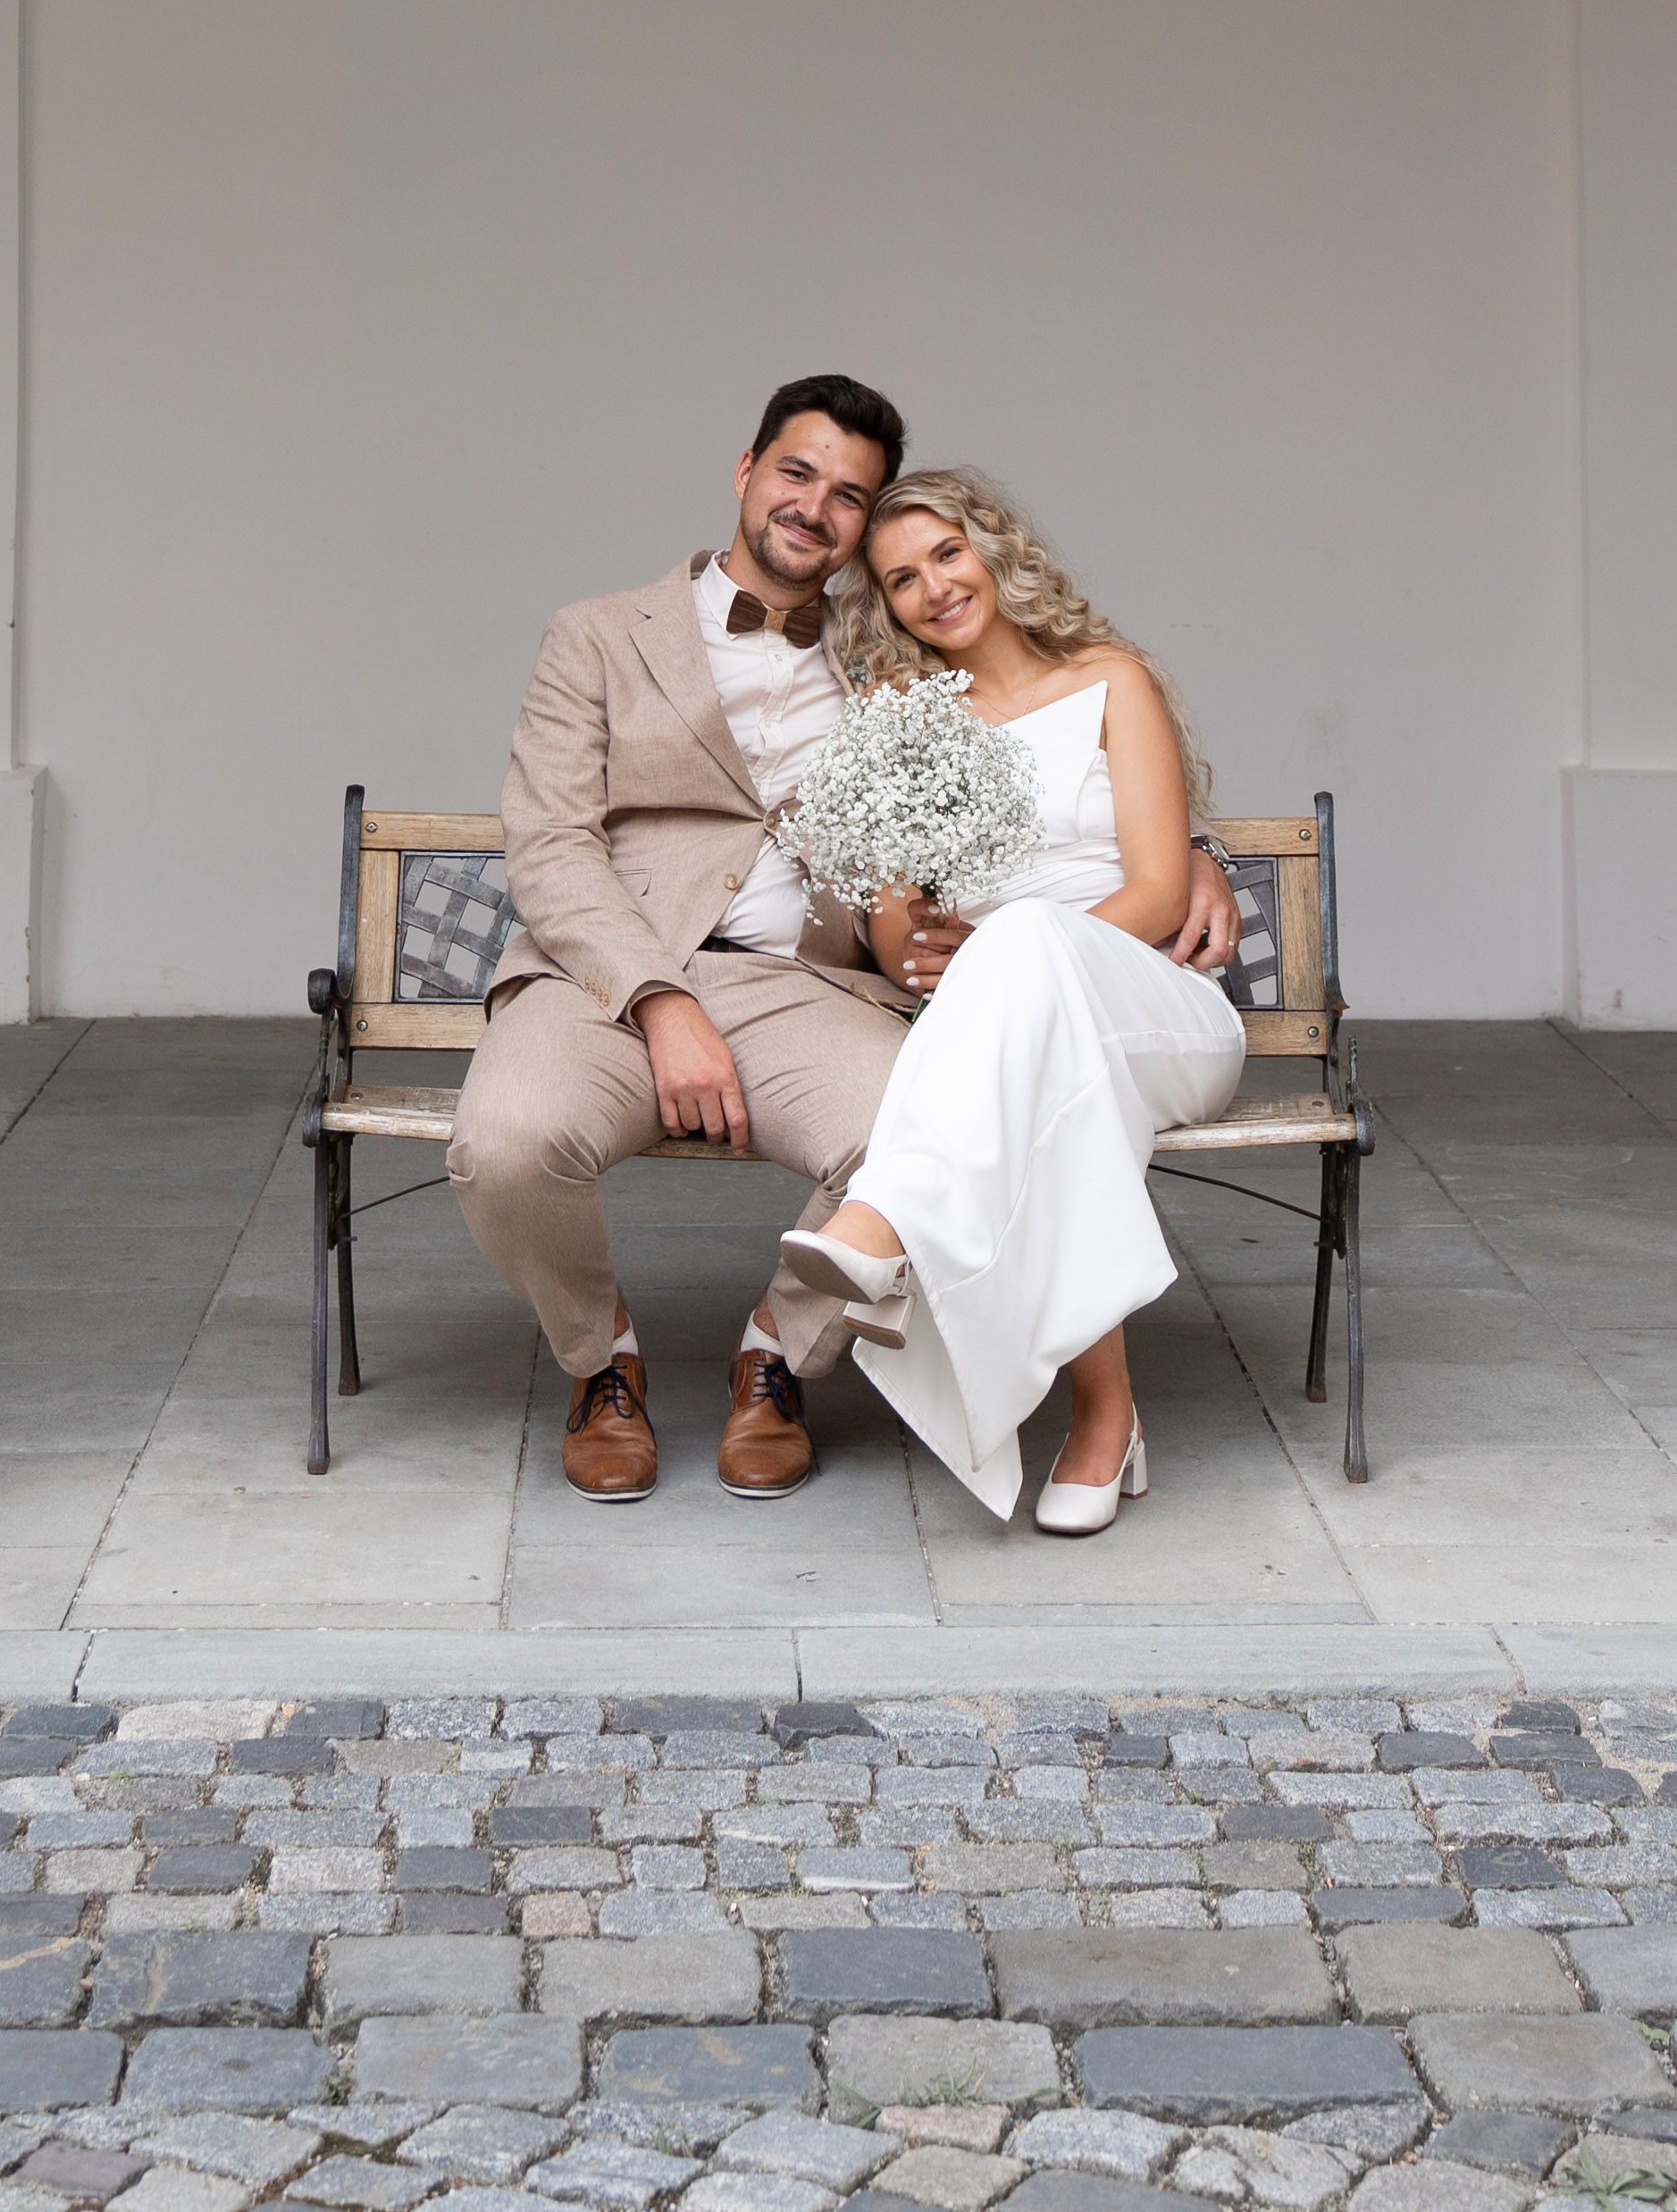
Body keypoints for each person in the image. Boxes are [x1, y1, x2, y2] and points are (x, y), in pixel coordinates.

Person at [452, 383, 1239, 1504]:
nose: (814, 507)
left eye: (848, 496)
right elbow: (550, 843)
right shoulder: (598, 635)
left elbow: (1052, 753)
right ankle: (600, 1362)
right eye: (796, 474)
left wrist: (1195, 851)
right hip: (610, 976)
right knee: (505, 1144)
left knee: (923, 1130)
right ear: (746, 471)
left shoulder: (889, 669)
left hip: (806, 988)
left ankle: (777, 1355)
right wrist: (660, 1001)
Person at [776, 466, 1243, 1534]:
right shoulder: (904, 724)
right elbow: (899, 944)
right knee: (1045, 1076)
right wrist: (924, 925)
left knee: (1029, 940)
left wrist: (1008, 952)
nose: (934, 588)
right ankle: (1104, 1411)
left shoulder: (1110, 679)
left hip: (1152, 1004)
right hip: (1019, 1034)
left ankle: (889, 1216)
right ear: (885, 606)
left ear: (994, 551)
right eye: (902, 579)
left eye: (947, 554)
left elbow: (1159, 891)